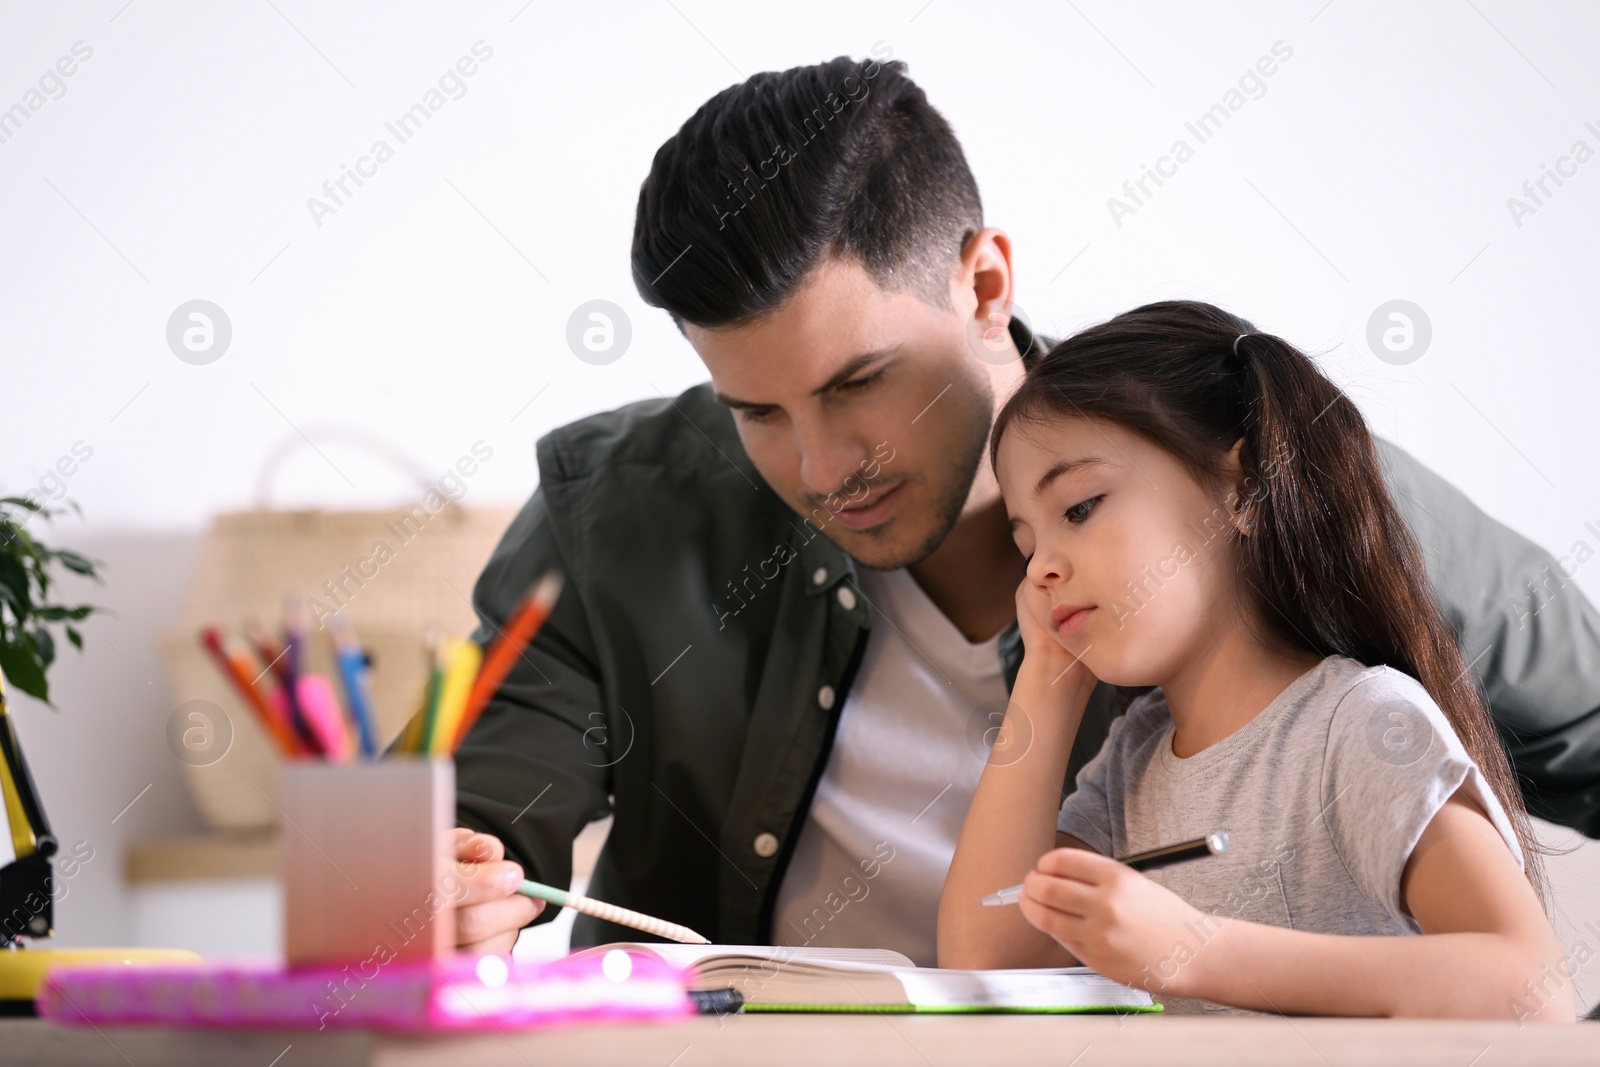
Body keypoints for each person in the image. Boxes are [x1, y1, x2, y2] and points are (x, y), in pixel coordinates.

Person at [443, 55, 1600, 965]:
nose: (820, 463)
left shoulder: (1248, 471)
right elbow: (464, 826)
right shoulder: (617, 508)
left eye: (859, 383)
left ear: (985, 282)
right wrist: (438, 894)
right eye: (755, 410)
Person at [937, 300, 1573, 1020]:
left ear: (1244, 486)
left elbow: (1534, 987)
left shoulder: (1359, 724)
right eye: (1026, 545)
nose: (1042, 568)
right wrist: (1045, 682)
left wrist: (1198, 948)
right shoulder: (1133, 761)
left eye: (1079, 507)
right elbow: (987, 954)